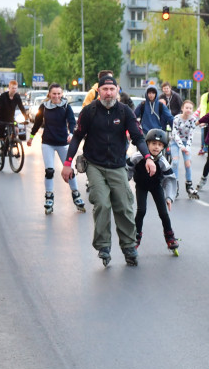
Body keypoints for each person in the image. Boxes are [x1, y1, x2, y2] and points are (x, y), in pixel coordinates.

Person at [62, 75, 155, 267]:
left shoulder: (124, 111)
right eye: (105, 89)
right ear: (99, 91)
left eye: (112, 89)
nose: (108, 93)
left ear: (117, 90)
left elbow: (138, 137)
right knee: (102, 203)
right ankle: (104, 246)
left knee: (124, 204)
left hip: (118, 165)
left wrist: (148, 158)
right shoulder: (89, 111)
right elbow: (78, 136)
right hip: (95, 164)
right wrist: (67, 162)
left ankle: (129, 247)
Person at [27, 84, 86, 214]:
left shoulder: (66, 107)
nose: (57, 96)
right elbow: (37, 123)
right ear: (49, 94)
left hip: (63, 143)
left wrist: (71, 134)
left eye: (59, 94)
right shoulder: (44, 107)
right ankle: (49, 197)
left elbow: (71, 121)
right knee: (49, 170)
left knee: (69, 170)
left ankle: (76, 195)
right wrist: (31, 137)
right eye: (54, 93)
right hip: (48, 142)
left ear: (62, 94)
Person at [129, 129, 179, 255]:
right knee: (141, 210)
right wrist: (123, 185)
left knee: (163, 213)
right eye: (153, 144)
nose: (156, 147)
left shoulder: (163, 162)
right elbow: (126, 169)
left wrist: (169, 197)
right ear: (147, 144)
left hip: (156, 186)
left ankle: (170, 237)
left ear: (163, 147)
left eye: (160, 145)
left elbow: (170, 180)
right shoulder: (138, 157)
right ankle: (136, 236)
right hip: (141, 185)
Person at [0, 80, 29, 165]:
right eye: (12, 88)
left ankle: (9, 144)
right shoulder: (3, 96)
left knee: (15, 131)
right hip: (0, 119)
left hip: (11, 119)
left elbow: (21, 107)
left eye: (15, 88)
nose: (14, 90)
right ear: (9, 88)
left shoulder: (17, 97)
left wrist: (26, 118)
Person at [171, 100, 200, 199]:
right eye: (187, 108)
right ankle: (175, 185)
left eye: (191, 108)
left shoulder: (193, 120)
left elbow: (191, 135)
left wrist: (186, 147)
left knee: (188, 163)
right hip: (175, 142)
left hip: (186, 143)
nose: (188, 110)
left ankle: (189, 185)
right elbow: (175, 134)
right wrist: (181, 146)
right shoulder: (176, 118)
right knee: (175, 162)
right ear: (182, 108)